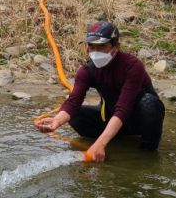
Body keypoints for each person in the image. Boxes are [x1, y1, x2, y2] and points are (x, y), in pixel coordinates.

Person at [35, 21, 165, 161]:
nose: (96, 52)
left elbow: (123, 108)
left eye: (102, 46)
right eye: (92, 46)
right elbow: (73, 102)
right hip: (111, 116)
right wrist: (57, 121)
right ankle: (109, 140)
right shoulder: (87, 71)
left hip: (139, 118)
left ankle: (146, 154)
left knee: (149, 103)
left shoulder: (132, 66)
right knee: (75, 114)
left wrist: (100, 143)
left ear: (116, 47)